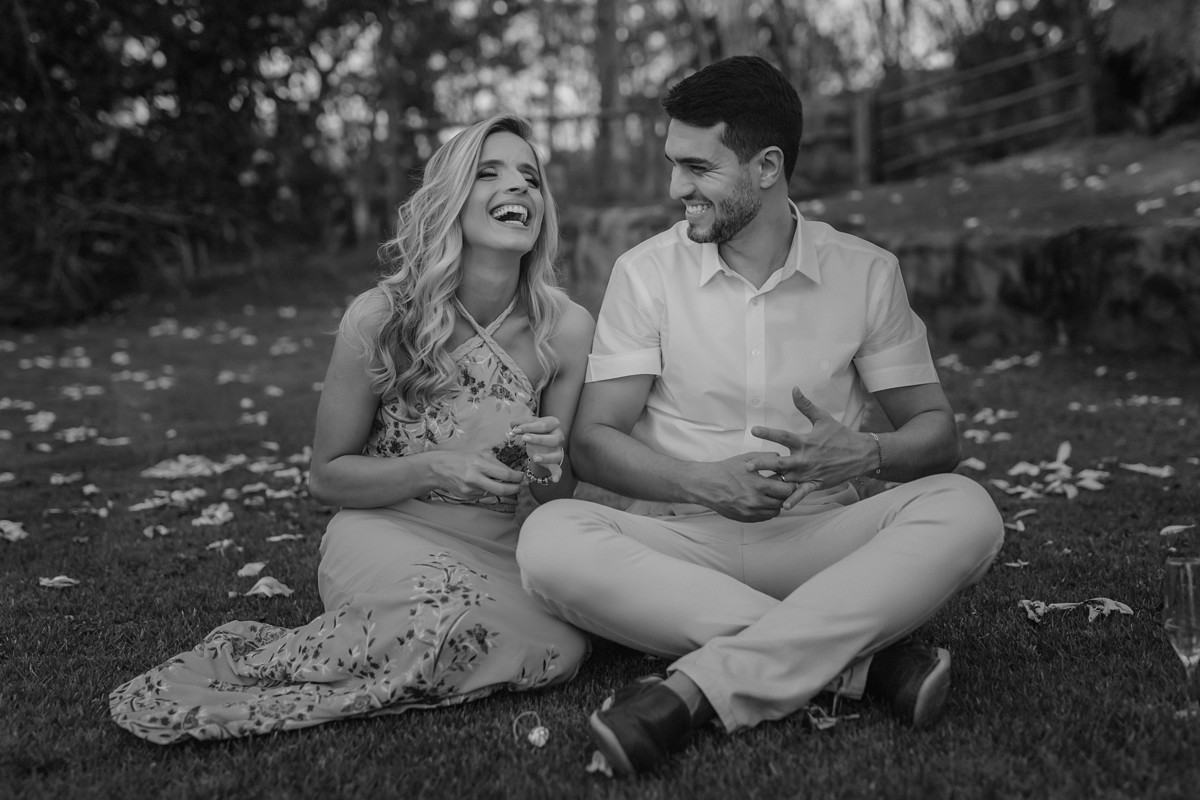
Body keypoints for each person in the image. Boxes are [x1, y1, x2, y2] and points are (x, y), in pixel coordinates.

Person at [516, 56, 1005, 776]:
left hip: (824, 541)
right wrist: (702, 483)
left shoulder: (865, 273)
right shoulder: (645, 273)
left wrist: (867, 454)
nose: (675, 187)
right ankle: (861, 665)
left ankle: (696, 686)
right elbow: (592, 442)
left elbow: (939, 435)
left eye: (697, 167)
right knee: (550, 538)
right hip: (681, 546)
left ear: (767, 166)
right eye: (673, 164)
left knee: (968, 510)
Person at [110, 114, 594, 744]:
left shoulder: (567, 327)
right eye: (489, 172)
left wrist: (550, 463)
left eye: (531, 177)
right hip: (385, 529)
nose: (519, 188)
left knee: (562, 648)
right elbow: (326, 476)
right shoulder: (382, 318)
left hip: (504, 547)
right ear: (452, 197)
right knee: (442, 615)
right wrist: (436, 465)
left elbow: (557, 493)